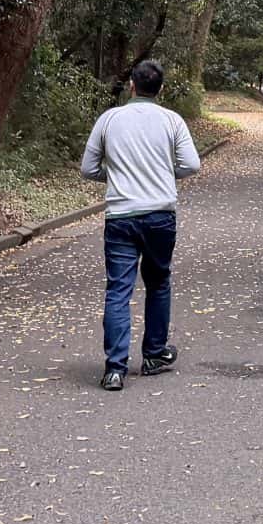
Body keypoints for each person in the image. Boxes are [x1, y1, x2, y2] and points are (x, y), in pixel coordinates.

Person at [80, 59, 201, 391]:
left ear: (131, 85)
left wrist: (116, 176)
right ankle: (154, 354)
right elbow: (191, 164)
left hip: (120, 216)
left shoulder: (109, 119)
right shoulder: (172, 120)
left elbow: (88, 168)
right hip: (160, 215)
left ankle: (115, 368)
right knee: (158, 282)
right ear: (160, 89)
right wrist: (162, 173)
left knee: (118, 289)